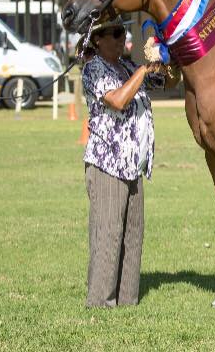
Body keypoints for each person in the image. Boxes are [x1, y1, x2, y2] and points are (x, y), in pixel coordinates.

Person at [79, 18, 164, 307]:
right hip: (107, 164)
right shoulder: (94, 69)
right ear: (98, 40)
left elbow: (165, 81)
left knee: (133, 235)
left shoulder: (126, 67)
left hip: (133, 165)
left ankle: (127, 300)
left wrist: (163, 55)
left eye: (122, 32)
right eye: (114, 33)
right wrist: (143, 68)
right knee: (108, 234)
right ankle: (101, 303)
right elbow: (117, 100)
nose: (121, 38)